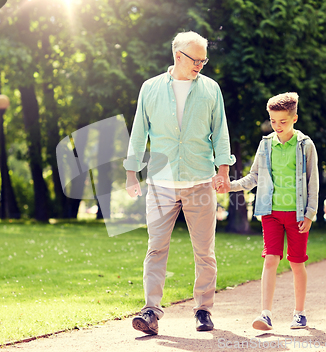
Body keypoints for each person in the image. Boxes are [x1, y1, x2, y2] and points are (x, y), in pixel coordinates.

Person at [124, 31, 235, 335]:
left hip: (200, 182)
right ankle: (150, 311)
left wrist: (223, 170)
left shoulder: (211, 89)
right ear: (177, 56)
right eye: (195, 59)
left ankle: (203, 309)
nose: (200, 64)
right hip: (161, 183)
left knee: (204, 251)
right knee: (156, 248)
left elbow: (220, 131)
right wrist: (131, 172)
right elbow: (138, 132)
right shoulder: (150, 89)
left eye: (204, 59)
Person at [230, 92, 318, 330]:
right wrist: (231, 185)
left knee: (297, 262)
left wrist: (310, 213)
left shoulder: (305, 146)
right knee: (270, 259)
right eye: (273, 121)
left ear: (294, 119)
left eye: (283, 121)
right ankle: (265, 314)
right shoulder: (266, 144)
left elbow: (313, 181)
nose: (277, 126)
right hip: (270, 212)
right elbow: (254, 176)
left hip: (298, 215)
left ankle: (299, 313)